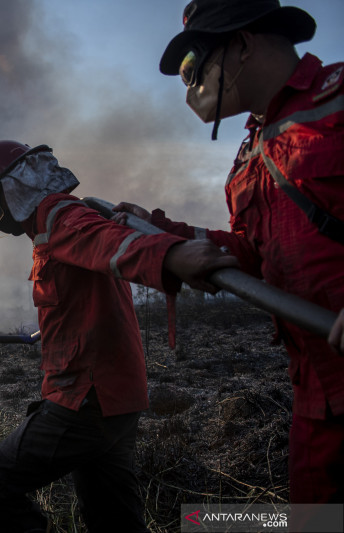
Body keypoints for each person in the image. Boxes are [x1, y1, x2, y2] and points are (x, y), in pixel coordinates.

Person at [113, 0, 344, 511]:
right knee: (313, 522)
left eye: (194, 65)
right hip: (317, 396)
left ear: (241, 43)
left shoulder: (338, 99)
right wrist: (164, 233)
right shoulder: (247, 160)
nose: (190, 85)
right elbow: (257, 258)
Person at [0, 140, 238, 532]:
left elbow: (107, 243)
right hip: (114, 397)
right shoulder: (49, 224)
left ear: (9, 187)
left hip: (86, 398)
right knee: (113, 518)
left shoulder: (57, 215)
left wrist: (168, 256)